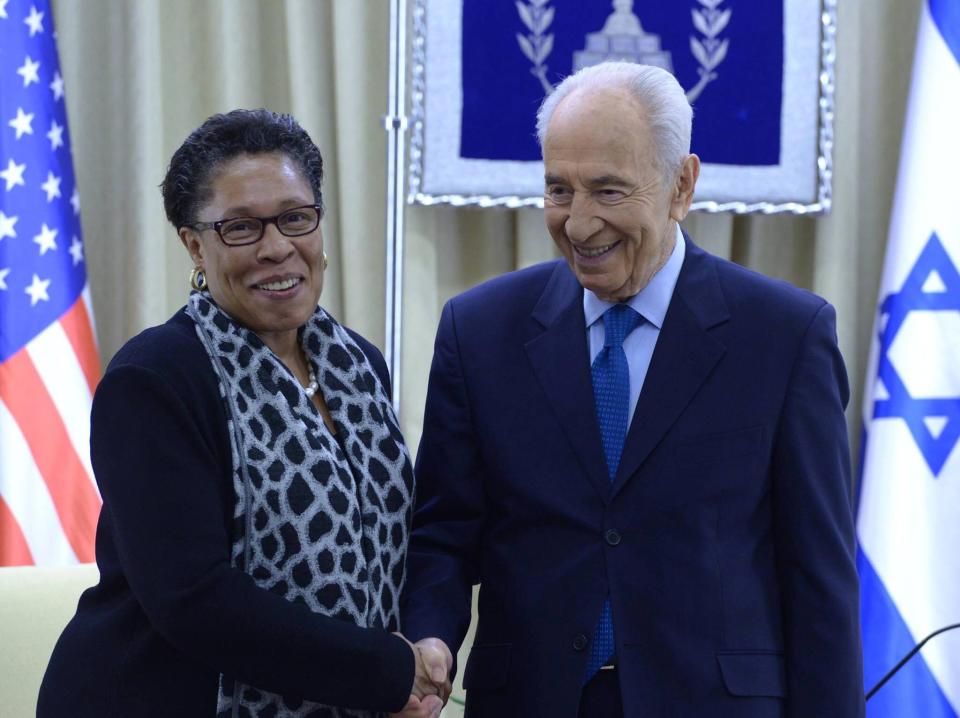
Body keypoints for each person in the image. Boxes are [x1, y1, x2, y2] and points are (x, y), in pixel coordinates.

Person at [400, 62, 865, 717]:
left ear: (681, 185)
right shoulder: (479, 332)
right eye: (559, 190)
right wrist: (429, 634)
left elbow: (820, 579)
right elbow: (444, 535)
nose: (580, 223)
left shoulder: (784, 336)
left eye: (609, 191)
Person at [38, 109, 448, 718]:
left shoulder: (359, 365)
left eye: (294, 217)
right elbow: (193, 598)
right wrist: (383, 671)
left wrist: (423, 644)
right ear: (194, 245)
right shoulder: (153, 379)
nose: (277, 247)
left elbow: (391, 538)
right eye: (241, 229)